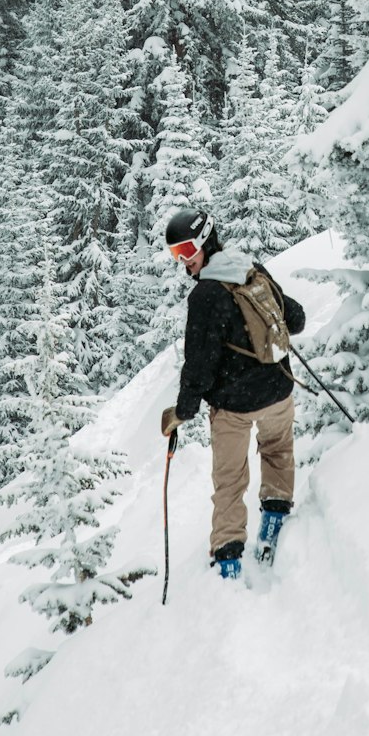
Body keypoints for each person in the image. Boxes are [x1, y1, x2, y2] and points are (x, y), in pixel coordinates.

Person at [159, 208, 306, 579]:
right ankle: (274, 525)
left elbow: (199, 367)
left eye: (186, 251)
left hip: (234, 407)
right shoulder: (251, 268)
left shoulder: (205, 296)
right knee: (277, 453)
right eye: (176, 254)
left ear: (205, 242)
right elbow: (296, 318)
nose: (183, 262)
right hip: (278, 391)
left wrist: (182, 411)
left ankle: (228, 561)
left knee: (229, 480)